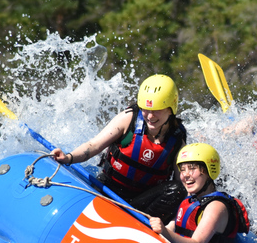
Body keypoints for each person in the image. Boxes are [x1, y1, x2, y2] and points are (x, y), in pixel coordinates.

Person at [51, 74, 187, 222]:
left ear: (171, 109)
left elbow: (183, 183)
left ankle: (143, 226)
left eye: (157, 110)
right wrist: (68, 157)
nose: (150, 116)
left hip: (142, 205)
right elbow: (93, 146)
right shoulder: (128, 119)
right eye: (146, 109)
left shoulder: (177, 139)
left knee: (177, 189)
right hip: (109, 189)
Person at [149, 143, 250, 243]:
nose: (185, 175)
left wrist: (164, 232)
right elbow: (173, 227)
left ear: (209, 171)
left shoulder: (216, 206)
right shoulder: (191, 199)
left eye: (192, 168)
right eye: (182, 170)